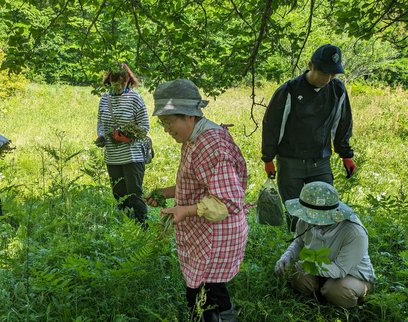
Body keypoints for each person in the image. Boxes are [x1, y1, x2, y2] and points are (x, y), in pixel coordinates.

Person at [144, 79, 250, 322]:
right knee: (206, 289)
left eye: (169, 123)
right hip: (205, 232)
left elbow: (226, 202)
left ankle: (222, 317)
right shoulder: (194, 138)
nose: (167, 129)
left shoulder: (211, 145)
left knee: (203, 295)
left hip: (216, 236)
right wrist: (165, 192)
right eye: (162, 124)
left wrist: (185, 210)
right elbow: (198, 183)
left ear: (190, 116)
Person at [261, 44, 356, 232]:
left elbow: (342, 122)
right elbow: (272, 126)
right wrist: (268, 158)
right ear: (311, 65)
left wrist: (345, 154)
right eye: (323, 73)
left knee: (326, 211)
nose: (327, 79)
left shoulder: (337, 90)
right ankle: (297, 253)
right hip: (290, 162)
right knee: (295, 215)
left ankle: (322, 254)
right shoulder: (289, 90)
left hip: (320, 161)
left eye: (332, 75)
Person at [275, 181, 376, 309]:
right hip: (321, 268)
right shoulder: (306, 219)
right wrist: (286, 257)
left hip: (352, 275)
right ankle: (321, 296)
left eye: (315, 216)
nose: (309, 220)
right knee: (297, 276)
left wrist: (312, 267)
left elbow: (340, 269)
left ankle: (338, 298)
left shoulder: (354, 233)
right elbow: (298, 242)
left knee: (338, 290)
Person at [95, 62, 150, 226]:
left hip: (133, 156)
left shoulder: (135, 98)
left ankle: (143, 227)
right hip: (112, 156)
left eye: (123, 83)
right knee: (119, 193)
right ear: (109, 80)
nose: (119, 86)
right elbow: (100, 121)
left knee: (134, 194)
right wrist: (101, 136)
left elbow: (144, 126)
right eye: (115, 82)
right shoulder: (104, 98)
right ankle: (129, 227)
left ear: (128, 81)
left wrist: (128, 137)